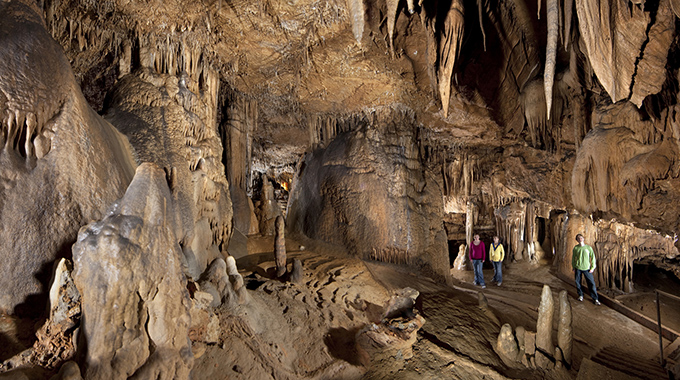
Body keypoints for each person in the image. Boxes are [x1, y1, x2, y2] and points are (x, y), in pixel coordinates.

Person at [572, 233, 601, 305]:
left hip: (587, 268)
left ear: (583, 238)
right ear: (577, 240)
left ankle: (595, 298)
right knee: (578, 282)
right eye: (578, 238)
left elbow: (593, 257)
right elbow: (573, 258)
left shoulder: (588, 248)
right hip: (578, 267)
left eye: (581, 238)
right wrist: (573, 266)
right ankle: (580, 295)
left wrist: (593, 267)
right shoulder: (576, 248)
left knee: (591, 283)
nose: (580, 239)